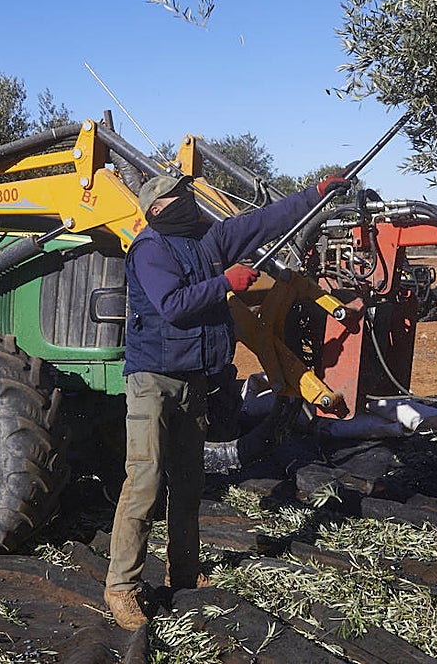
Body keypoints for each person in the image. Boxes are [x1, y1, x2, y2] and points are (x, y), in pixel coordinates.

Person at [103, 170, 349, 630]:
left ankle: (182, 569)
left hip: (195, 381)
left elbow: (265, 222)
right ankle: (122, 587)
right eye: (178, 196)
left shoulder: (207, 239)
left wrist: (315, 193)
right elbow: (173, 305)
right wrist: (227, 283)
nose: (187, 199)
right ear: (157, 208)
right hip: (152, 382)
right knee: (145, 482)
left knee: (189, 480)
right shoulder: (149, 249)